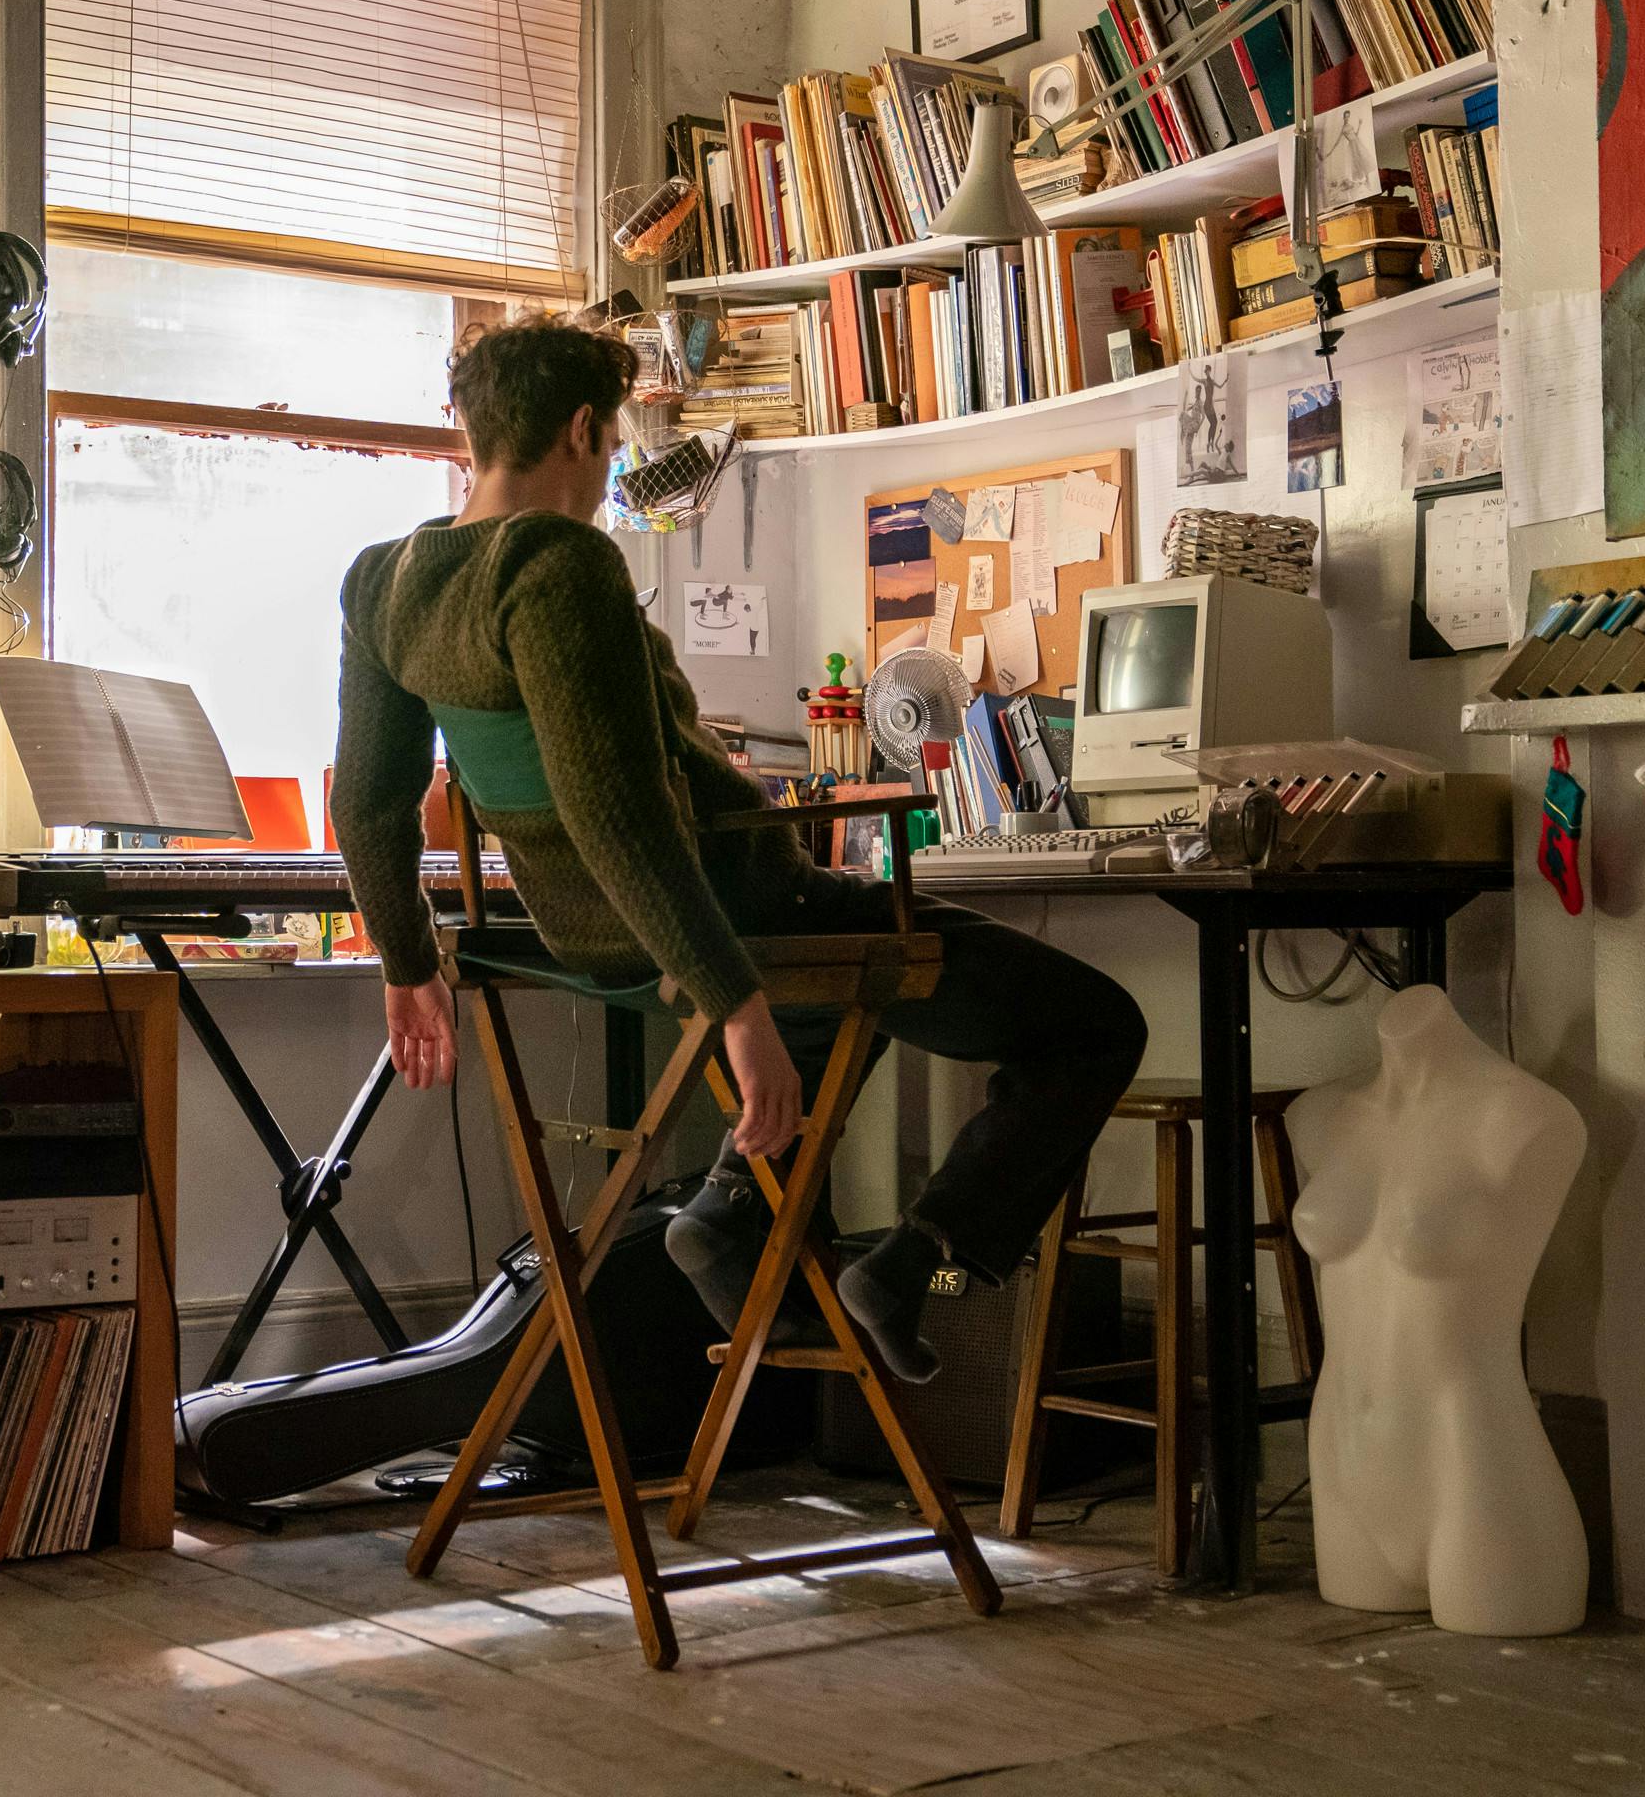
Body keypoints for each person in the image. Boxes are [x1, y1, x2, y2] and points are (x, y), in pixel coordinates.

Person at [330, 316, 1146, 1379]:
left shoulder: (384, 580)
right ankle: (917, 1263)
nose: (610, 468)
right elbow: (618, 809)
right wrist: (735, 1002)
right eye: (614, 443)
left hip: (592, 935)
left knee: (833, 996)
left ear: (475, 432)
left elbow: (367, 803)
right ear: (582, 427)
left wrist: (407, 962)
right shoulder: (557, 559)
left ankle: (725, 1212)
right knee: (1094, 1025)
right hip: (736, 915)